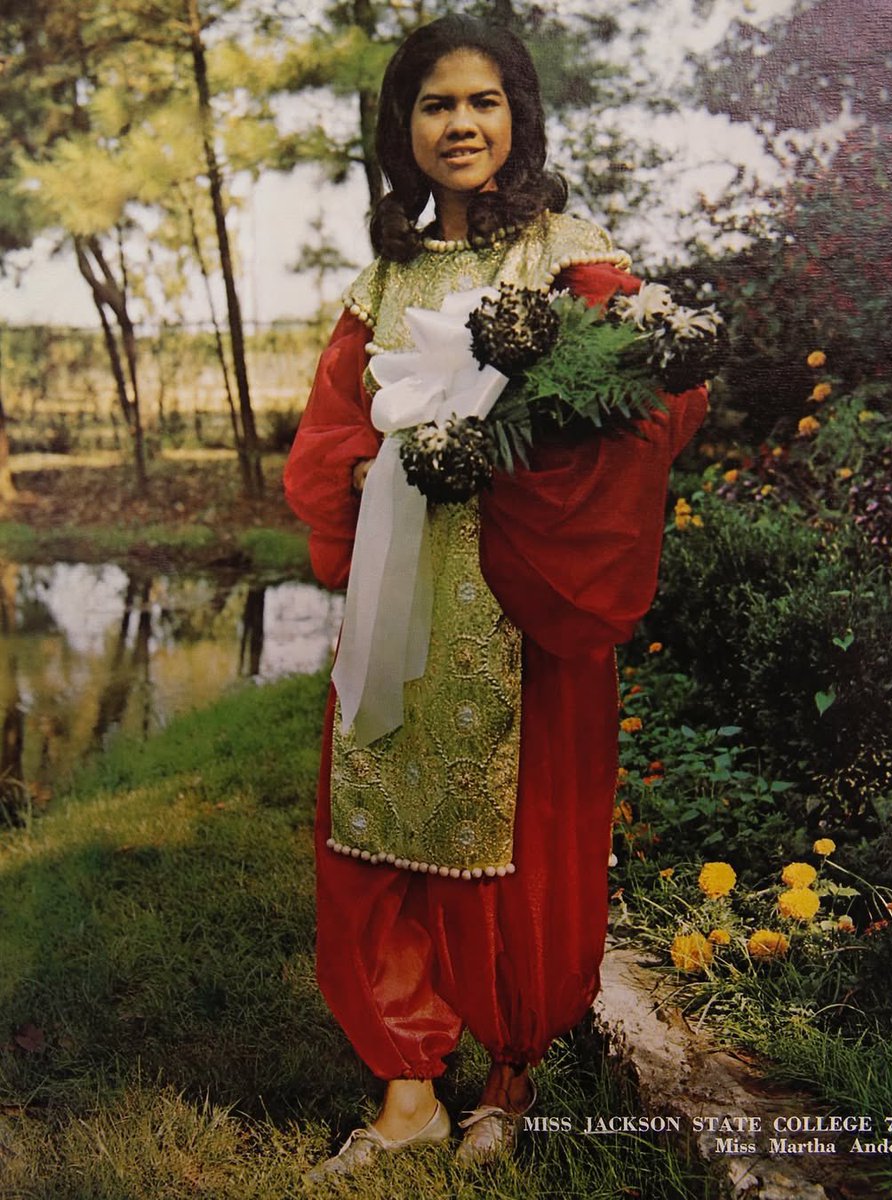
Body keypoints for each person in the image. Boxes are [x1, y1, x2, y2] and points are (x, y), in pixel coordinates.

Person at [283, 14, 707, 1178]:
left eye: (481, 102)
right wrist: (374, 464)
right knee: (382, 822)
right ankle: (409, 1088)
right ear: (401, 128)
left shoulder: (570, 258)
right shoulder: (386, 278)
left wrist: (518, 448)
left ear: (517, 117)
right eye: (434, 105)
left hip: (524, 593)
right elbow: (326, 429)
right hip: (400, 594)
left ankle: (509, 1079)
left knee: (523, 833)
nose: (459, 125)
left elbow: (656, 392)